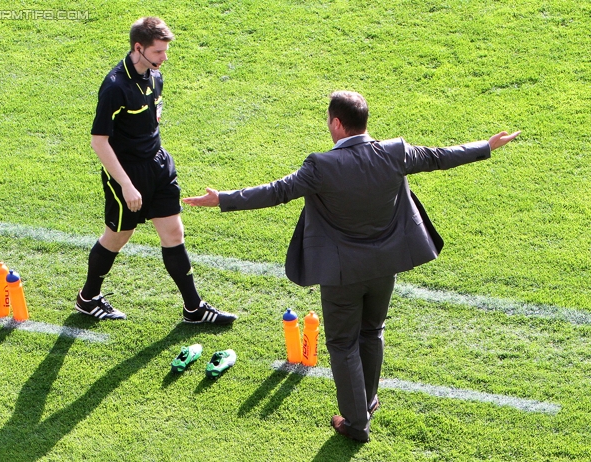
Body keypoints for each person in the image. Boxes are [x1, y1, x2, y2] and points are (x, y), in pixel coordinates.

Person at [183, 91, 520, 442]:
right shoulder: (394, 152)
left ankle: (356, 423)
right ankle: (368, 401)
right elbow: (439, 157)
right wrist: (486, 146)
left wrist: (221, 199)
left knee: (343, 345)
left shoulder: (321, 166)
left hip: (341, 274)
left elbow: (275, 192)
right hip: (383, 268)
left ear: (338, 124)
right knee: (372, 332)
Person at [75, 16, 237, 325]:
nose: (164, 58)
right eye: (159, 52)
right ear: (139, 48)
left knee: (174, 232)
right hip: (127, 175)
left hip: (158, 166)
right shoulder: (114, 87)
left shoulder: (154, 76)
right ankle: (88, 298)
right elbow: (99, 142)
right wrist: (126, 184)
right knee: (118, 236)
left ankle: (194, 308)